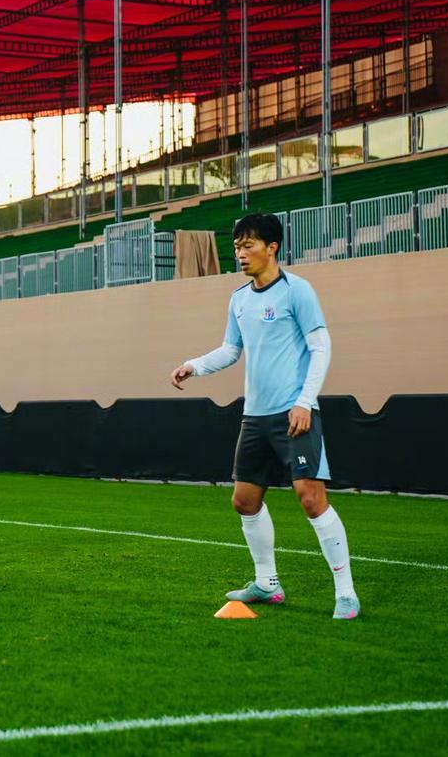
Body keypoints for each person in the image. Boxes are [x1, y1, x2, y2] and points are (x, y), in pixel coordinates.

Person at [170, 213, 359, 620]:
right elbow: (231, 350)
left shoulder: (297, 291)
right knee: (244, 500)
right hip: (255, 417)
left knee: (311, 499)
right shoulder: (239, 299)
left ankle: (346, 593)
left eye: (248, 246)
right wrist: (193, 365)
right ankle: (267, 584)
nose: (240, 254)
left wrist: (305, 401)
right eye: (237, 246)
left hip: (295, 413)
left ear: (272, 248)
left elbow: (321, 347)